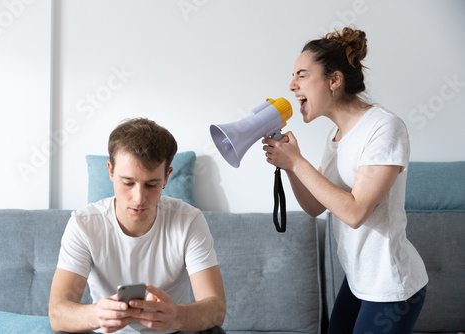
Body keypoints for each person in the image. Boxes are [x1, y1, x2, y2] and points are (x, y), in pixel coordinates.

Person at [262, 27, 428, 333]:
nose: (291, 85)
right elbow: (315, 207)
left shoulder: (384, 127)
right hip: (358, 280)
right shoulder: (336, 137)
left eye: (301, 75)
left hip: (391, 287)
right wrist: (290, 165)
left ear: (334, 81)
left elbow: (354, 212)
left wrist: (298, 162)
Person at [49, 118, 226, 334]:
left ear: (166, 177)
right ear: (111, 171)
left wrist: (175, 317)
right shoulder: (84, 224)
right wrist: (96, 314)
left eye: (151, 184)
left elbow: (216, 309)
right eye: (128, 183)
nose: (139, 198)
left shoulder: (189, 220)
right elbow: (58, 313)